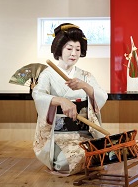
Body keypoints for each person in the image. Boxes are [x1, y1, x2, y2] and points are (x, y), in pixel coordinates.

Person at [32, 23, 108, 175]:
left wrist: (84, 85)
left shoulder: (85, 75)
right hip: (60, 135)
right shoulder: (47, 74)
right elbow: (38, 95)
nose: (74, 53)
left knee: (103, 154)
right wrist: (60, 100)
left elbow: (102, 96)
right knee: (65, 162)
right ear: (59, 49)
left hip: (84, 132)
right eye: (69, 48)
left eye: (78, 49)